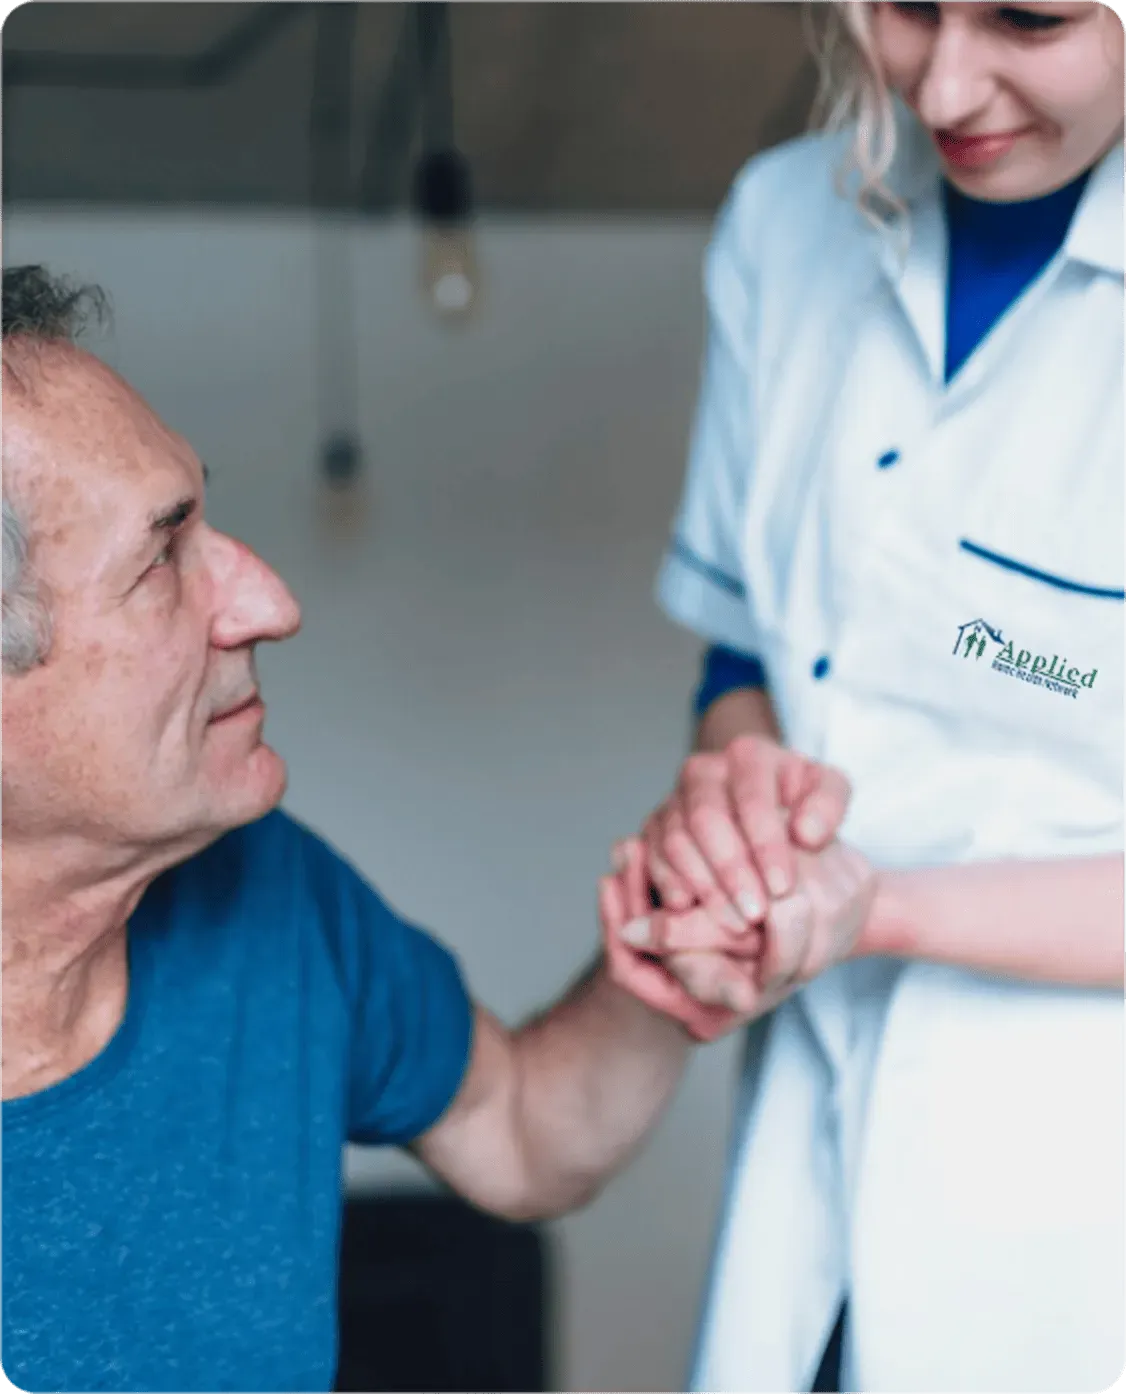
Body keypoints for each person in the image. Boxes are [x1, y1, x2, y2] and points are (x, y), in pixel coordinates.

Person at [0, 265, 865, 1393]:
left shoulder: (262, 890)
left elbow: (521, 1126)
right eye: (162, 560)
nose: (268, 601)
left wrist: (680, 936)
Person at [612, 1, 1126, 1391]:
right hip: (811, 1167)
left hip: (1079, 1224)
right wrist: (737, 824)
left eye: (1027, 17)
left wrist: (870, 907)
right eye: (905, 7)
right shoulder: (782, 225)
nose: (944, 84)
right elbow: (747, 657)